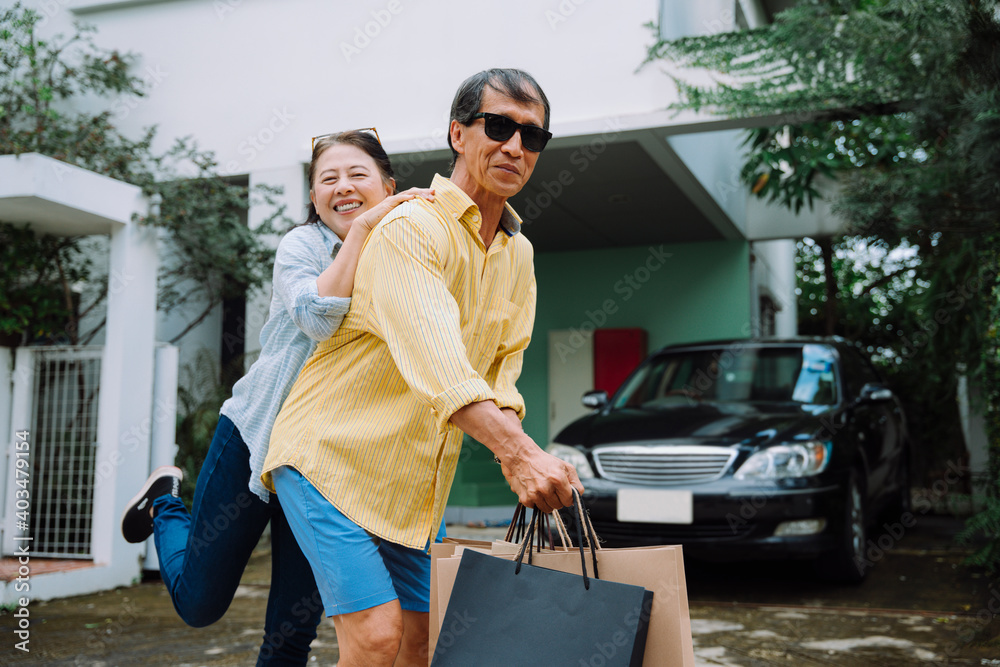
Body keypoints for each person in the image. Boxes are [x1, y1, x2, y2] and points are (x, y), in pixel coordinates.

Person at [262, 68, 584, 667]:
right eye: (498, 127)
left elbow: (501, 372)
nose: (515, 146)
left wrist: (529, 450)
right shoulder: (410, 227)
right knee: (377, 637)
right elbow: (438, 361)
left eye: (532, 137)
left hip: (411, 491)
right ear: (459, 134)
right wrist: (517, 456)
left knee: (423, 645)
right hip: (328, 463)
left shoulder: (518, 252)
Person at [119, 129, 434, 666]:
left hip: (323, 466)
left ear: (389, 185)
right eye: (327, 179)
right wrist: (360, 231)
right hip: (256, 438)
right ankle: (166, 504)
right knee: (199, 605)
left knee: (294, 629)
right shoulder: (302, 246)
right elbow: (314, 315)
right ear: (313, 197)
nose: (343, 187)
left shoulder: (406, 254)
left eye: (358, 174)